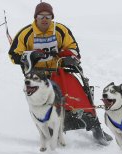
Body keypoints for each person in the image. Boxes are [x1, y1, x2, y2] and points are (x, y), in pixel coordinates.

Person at [8, 2, 112, 145]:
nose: (44, 19)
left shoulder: (60, 30)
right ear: (36, 17)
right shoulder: (26, 33)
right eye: (41, 16)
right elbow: (13, 55)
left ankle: (94, 125)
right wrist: (32, 55)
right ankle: (49, 126)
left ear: (52, 17)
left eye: (48, 16)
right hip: (37, 75)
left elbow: (74, 49)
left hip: (59, 70)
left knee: (76, 89)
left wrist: (66, 55)